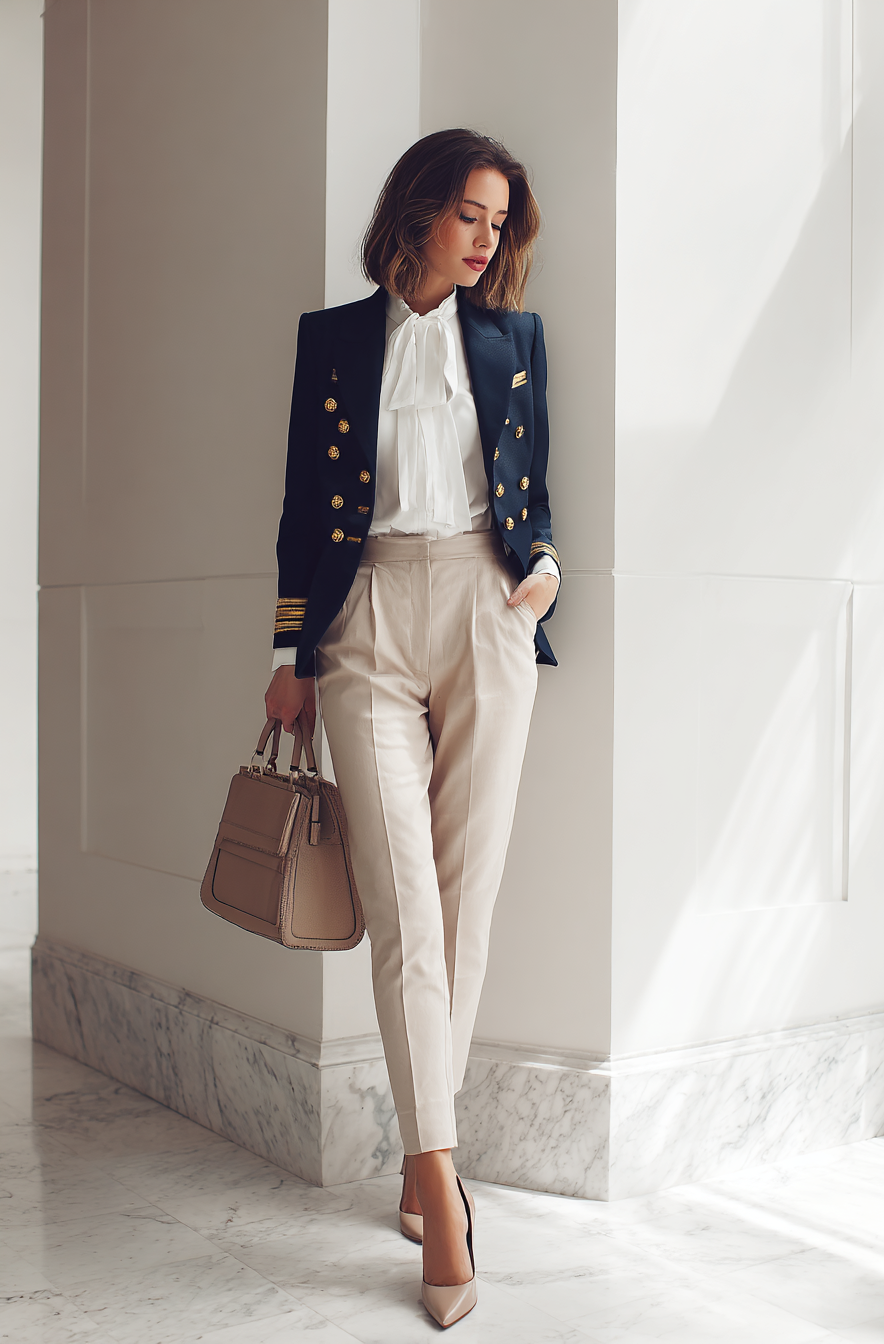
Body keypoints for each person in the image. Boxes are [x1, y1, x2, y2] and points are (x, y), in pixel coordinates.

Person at [264, 127, 560, 1328]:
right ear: (420, 211)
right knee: (405, 910)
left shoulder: (514, 340)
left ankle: (414, 1150)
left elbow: (534, 488)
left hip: (486, 612)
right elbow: (298, 504)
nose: (487, 239)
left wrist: (543, 572)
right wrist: (289, 650)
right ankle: (441, 1186)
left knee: (464, 899)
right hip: (368, 615)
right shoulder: (332, 341)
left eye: (499, 223)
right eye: (471, 216)